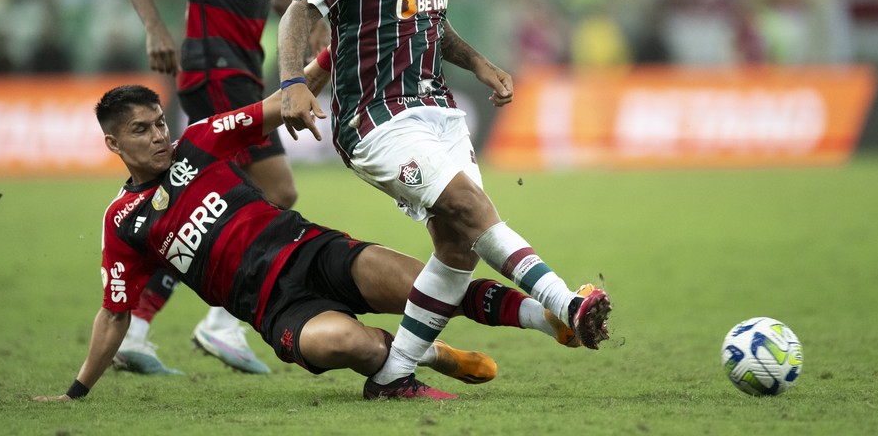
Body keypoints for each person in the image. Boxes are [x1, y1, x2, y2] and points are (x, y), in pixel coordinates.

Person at [277, 0, 612, 400]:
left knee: (457, 249)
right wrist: (291, 84)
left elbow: (432, 24)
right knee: (468, 205)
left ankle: (393, 375)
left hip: (436, 112)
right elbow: (301, 11)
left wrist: (481, 63)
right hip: (377, 120)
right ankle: (565, 305)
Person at [33, 72, 584, 403]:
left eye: (158, 122)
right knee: (353, 345)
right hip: (273, 307)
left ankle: (548, 319)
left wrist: (317, 64)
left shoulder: (198, 142)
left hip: (313, 251)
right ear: (113, 144)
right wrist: (77, 390)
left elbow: (278, 106)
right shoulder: (124, 221)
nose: (158, 136)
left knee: (429, 283)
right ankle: (433, 353)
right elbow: (114, 313)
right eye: (141, 130)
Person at [117, 0, 313, 375]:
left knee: (204, 207)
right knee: (279, 192)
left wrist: (318, 16)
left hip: (247, 68)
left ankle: (137, 327)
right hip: (209, 66)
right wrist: (156, 29)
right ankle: (222, 324)